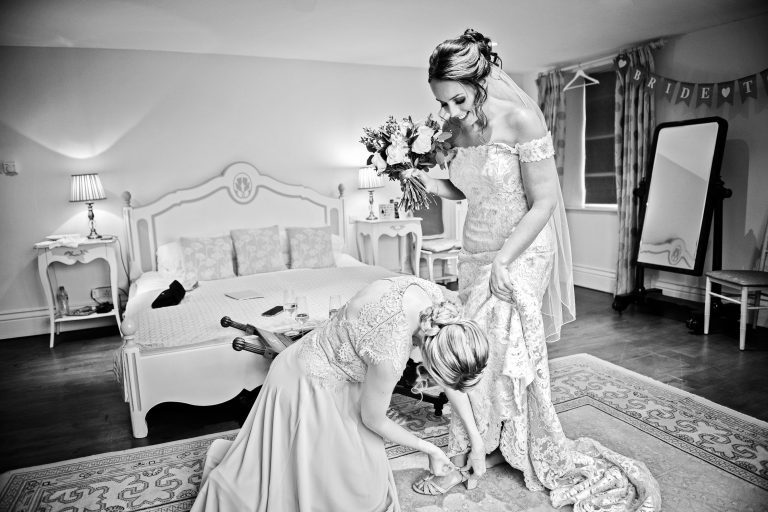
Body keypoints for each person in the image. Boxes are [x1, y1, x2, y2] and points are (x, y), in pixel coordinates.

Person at [411, 29, 662, 511]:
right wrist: (424, 180)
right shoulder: (455, 129)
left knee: (492, 344)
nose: (450, 112)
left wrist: (504, 260)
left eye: (458, 99)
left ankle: (469, 455)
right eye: (442, 103)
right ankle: (498, 437)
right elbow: (469, 190)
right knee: (479, 349)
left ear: (482, 80)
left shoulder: (522, 119)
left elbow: (544, 201)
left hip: (522, 249)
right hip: (476, 250)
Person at [190, 276, 489, 512]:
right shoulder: (392, 352)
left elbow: (452, 377)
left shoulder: (440, 309)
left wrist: (476, 442)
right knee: (346, 494)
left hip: (341, 376)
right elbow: (373, 419)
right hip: (304, 383)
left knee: (360, 482)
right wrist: (431, 449)